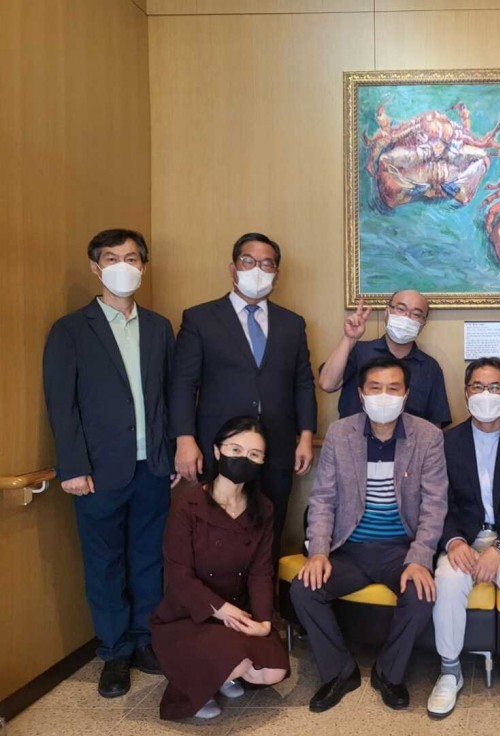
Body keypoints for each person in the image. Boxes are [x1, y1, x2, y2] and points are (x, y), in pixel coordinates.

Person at [42, 229, 174, 698]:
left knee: (148, 559)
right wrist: (72, 466)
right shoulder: (70, 330)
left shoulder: (159, 327)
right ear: (95, 268)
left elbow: (169, 396)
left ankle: (145, 640)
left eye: (132, 258)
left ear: (144, 266)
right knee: (105, 564)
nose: (124, 266)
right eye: (113, 258)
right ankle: (115, 651)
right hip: (97, 471)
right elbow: (62, 405)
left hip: (152, 467)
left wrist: (171, 452)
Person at [291, 357, 448, 713]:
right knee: (303, 589)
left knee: (421, 595)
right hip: (350, 547)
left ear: (406, 394)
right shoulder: (340, 433)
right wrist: (319, 552)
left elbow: (434, 506)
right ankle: (340, 671)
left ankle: (388, 673)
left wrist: (420, 558)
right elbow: (323, 499)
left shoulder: (428, 436)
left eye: (393, 388)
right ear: (361, 395)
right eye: (375, 388)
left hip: (401, 549)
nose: (384, 396)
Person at [169, 232, 317, 563]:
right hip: (220, 448)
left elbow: (303, 383)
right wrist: (185, 440)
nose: (257, 269)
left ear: (277, 274)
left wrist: (306, 436)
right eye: (248, 261)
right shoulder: (200, 318)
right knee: (216, 536)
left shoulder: (292, 324)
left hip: (277, 448)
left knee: (269, 532)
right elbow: (183, 384)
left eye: (267, 264)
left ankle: (264, 597)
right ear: (233, 268)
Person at [151, 417, 289, 720]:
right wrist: (223, 611)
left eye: (254, 454)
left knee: (273, 672)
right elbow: (179, 576)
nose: (244, 459)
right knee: (239, 663)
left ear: (262, 461)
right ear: (217, 451)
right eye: (235, 449)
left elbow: (261, 572)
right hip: (189, 614)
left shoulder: (262, 508)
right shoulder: (187, 505)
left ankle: (223, 671)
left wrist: (264, 622)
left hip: (239, 610)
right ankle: (204, 680)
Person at [428, 357, 500, 722]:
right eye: (478, 386)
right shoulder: (445, 442)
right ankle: (450, 671)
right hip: (463, 537)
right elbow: (437, 503)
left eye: (495, 387)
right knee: (447, 578)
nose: (486, 394)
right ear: (466, 393)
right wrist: (454, 542)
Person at [318, 290, 451, 426]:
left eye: (416, 314)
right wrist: (349, 339)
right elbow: (327, 384)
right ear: (387, 312)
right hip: (353, 437)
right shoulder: (358, 351)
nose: (406, 317)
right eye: (401, 309)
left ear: (423, 323)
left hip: (409, 439)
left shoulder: (430, 367)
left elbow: (435, 425)